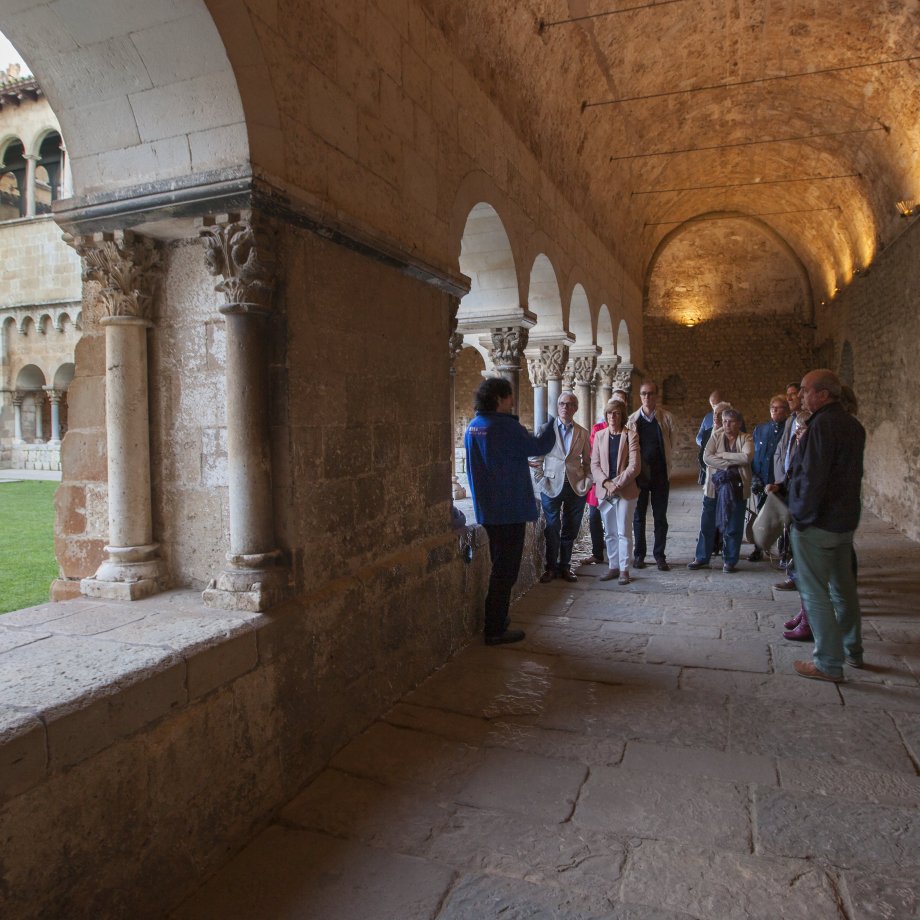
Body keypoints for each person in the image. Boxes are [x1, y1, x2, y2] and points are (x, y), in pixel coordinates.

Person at [787, 369, 866, 682]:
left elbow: (814, 478)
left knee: (815, 592)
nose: (803, 396)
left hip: (818, 523)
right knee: (843, 590)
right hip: (844, 520)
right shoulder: (853, 426)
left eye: (806, 390)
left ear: (822, 394)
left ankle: (828, 663)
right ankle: (853, 650)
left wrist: (800, 515)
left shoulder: (821, 426)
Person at [465, 377, 557, 645]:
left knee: (499, 566)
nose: (512, 402)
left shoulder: (473, 427)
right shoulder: (505, 427)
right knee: (506, 571)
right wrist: (550, 425)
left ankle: (499, 619)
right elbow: (539, 447)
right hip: (509, 509)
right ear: (499, 398)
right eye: (509, 397)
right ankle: (494, 629)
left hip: (489, 510)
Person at [532, 392, 592, 583]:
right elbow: (535, 458)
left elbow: (589, 462)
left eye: (570, 404)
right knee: (551, 527)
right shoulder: (545, 430)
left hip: (576, 486)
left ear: (576, 408)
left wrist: (587, 481)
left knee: (571, 528)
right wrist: (540, 481)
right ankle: (550, 568)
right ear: (557, 407)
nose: (565, 407)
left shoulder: (582, 433)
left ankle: (565, 566)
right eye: (562, 404)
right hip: (550, 485)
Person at [687, 408, 753, 573]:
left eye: (730, 422)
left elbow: (747, 457)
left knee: (734, 525)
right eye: (724, 421)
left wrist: (722, 455)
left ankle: (730, 561)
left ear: (738, 423)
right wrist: (730, 463)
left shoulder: (746, 438)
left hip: (737, 487)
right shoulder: (716, 435)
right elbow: (706, 457)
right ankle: (702, 557)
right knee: (707, 523)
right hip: (714, 487)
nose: (726, 425)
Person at [591, 398, 640, 585]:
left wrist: (616, 484)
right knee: (610, 531)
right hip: (606, 491)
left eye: (617, 413)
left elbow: (635, 466)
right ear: (606, 415)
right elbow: (594, 464)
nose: (612, 416)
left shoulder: (631, 436)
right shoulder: (600, 436)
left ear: (622, 416)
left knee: (624, 531)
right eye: (610, 413)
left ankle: (625, 569)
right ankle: (613, 566)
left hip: (625, 490)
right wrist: (605, 483)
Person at [629, 380, 675, 570]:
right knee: (638, 517)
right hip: (639, 476)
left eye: (650, 393)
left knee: (660, 517)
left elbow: (671, 443)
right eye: (644, 394)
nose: (647, 397)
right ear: (640, 396)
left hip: (660, 475)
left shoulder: (667, 419)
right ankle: (639, 555)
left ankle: (659, 555)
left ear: (656, 395)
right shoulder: (632, 420)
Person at [584, 387, 630, 566]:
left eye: (618, 407)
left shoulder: (628, 431)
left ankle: (620, 559)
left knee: (619, 523)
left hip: (620, 483)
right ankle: (597, 553)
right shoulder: (597, 428)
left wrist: (618, 480)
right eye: (611, 408)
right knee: (595, 516)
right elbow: (594, 456)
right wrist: (604, 480)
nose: (613, 414)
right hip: (601, 482)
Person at [748, 394, 790, 560]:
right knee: (761, 515)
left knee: (782, 516)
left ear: (786, 411)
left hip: (779, 481)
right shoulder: (761, 430)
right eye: (772, 407)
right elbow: (754, 455)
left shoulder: (788, 430)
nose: (774, 410)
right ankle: (759, 548)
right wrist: (754, 477)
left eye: (778, 408)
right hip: (763, 480)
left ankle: (784, 550)